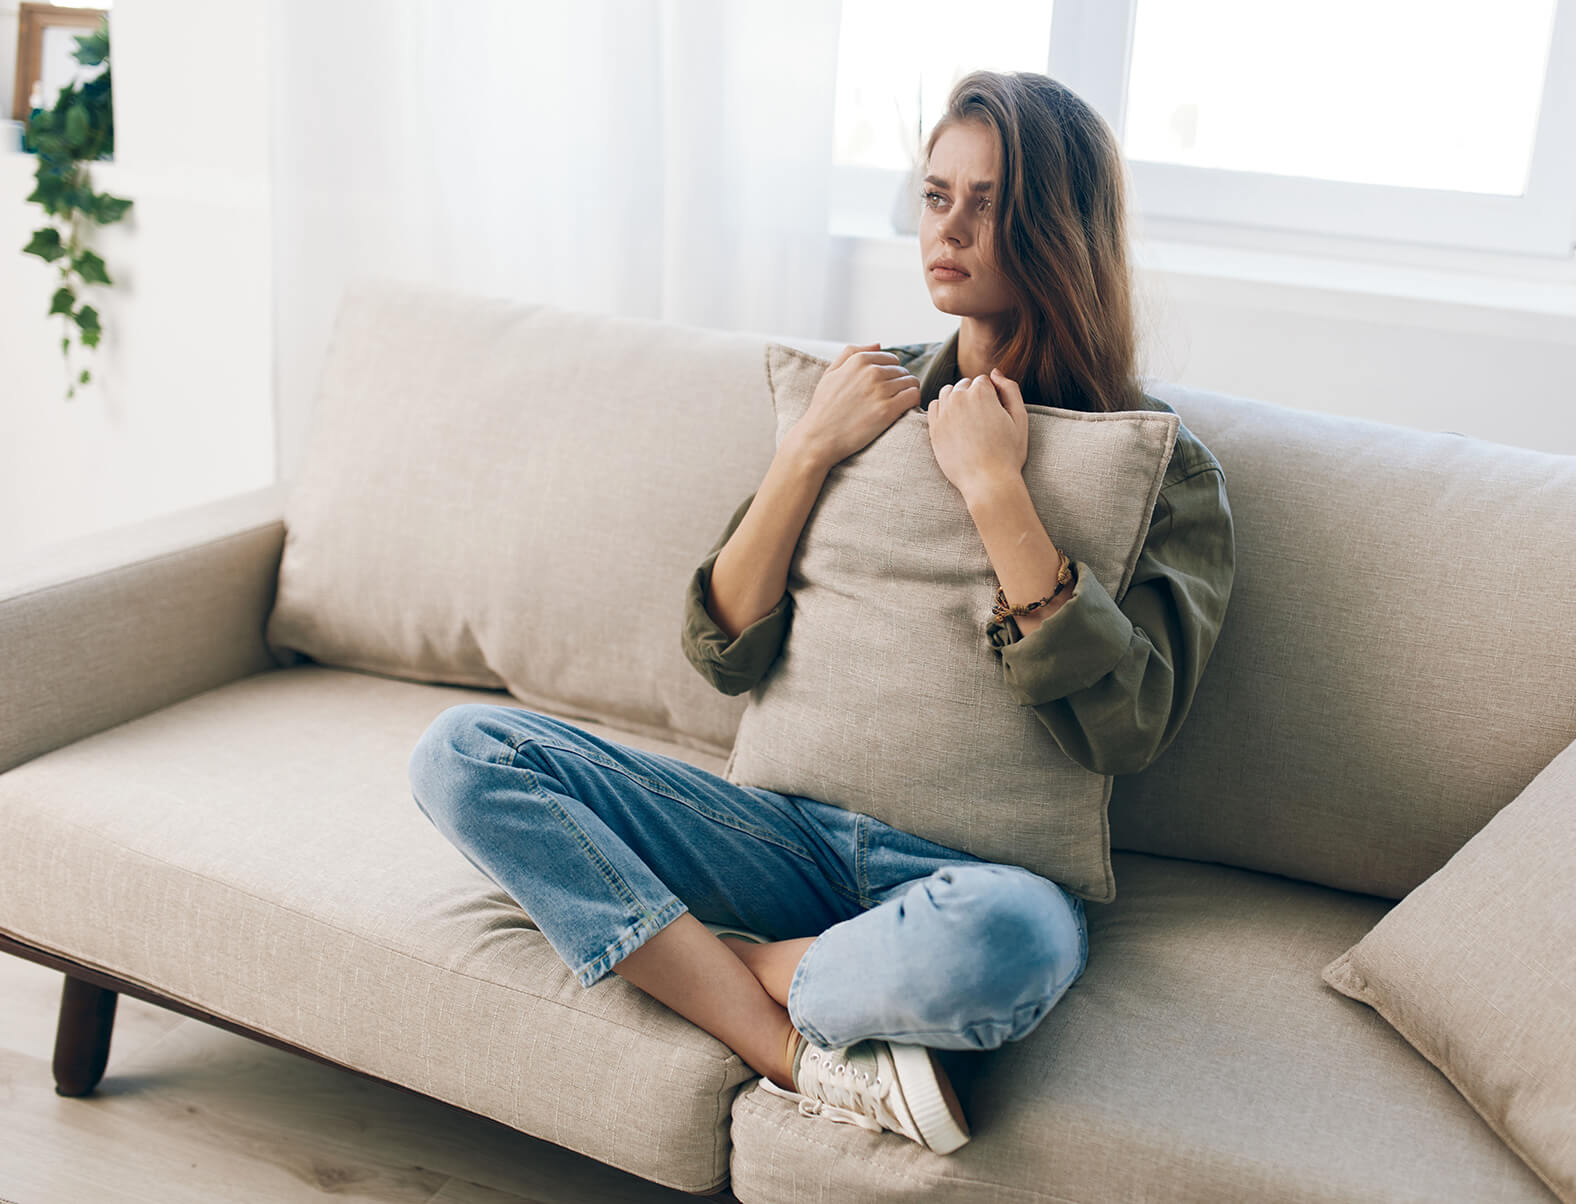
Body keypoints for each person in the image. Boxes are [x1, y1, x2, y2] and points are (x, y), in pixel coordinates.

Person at [406, 69, 1234, 1157]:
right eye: (936, 196)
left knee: (1019, 943)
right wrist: (806, 452)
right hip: (776, 837)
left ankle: (705, 954)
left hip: (971, 882)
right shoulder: (864, 394)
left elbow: (1132, 725)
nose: (949, 229)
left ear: (1061, 224)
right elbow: (723, 647)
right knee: (464, 751)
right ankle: (793, 1049)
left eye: (989, 202)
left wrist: (996, 490)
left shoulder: (1162, 467)